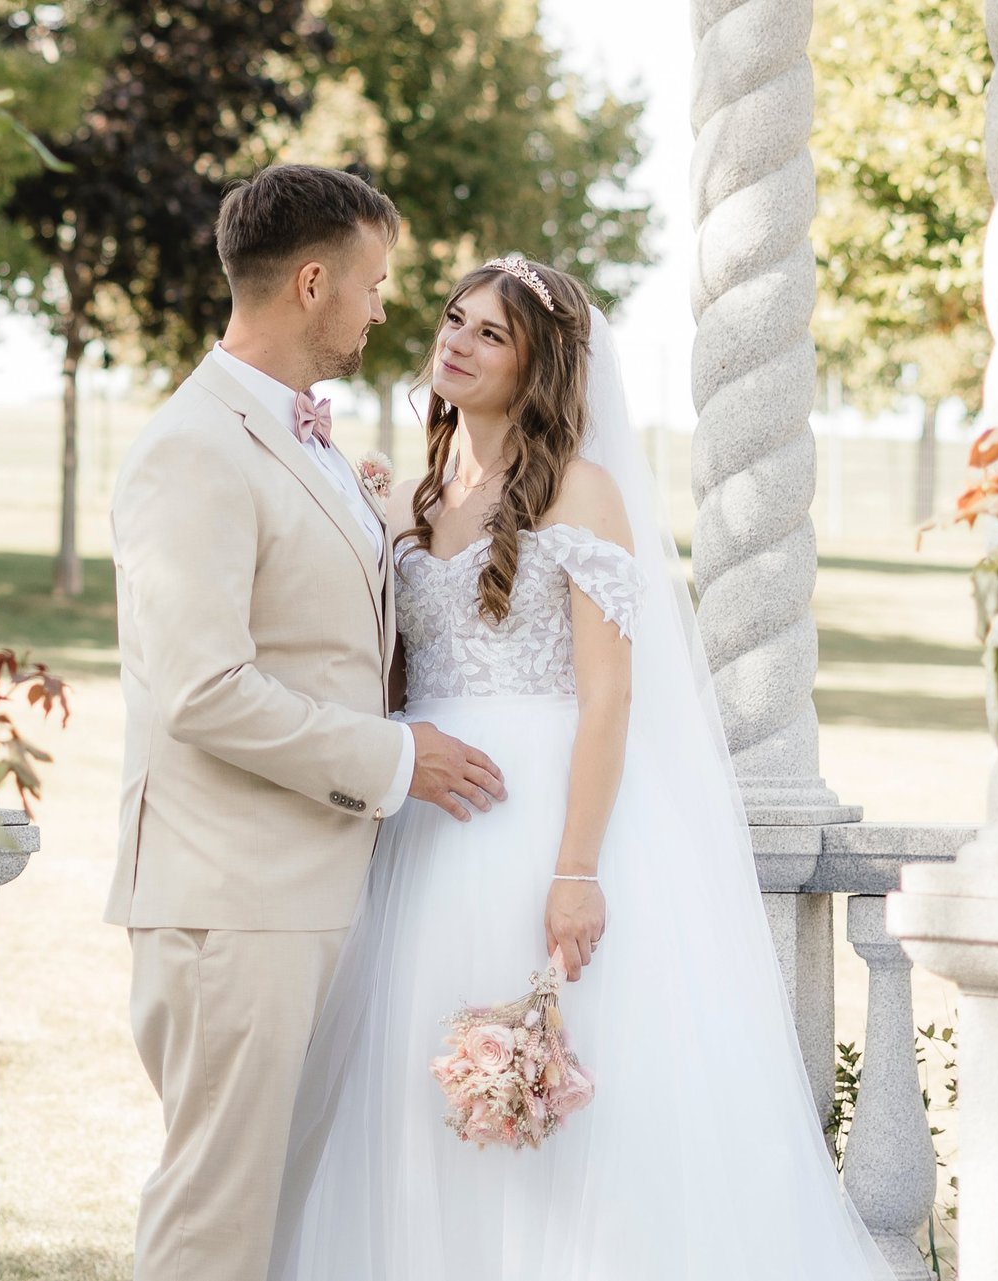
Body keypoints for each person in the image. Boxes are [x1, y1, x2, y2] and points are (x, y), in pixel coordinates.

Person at [268, 256, 898, 1280]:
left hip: (545, 817)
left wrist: (574, 870)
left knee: (554, 1083)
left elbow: (609, 699)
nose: (457, 342)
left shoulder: (580, 492)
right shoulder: (415, 494)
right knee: (412, 1075)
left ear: (538, 369)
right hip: (423, 818)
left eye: (491, 334)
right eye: (454, 319)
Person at [106, 163, 507, 1281]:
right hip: (233, 900)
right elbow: (201, 689)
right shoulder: (192, 448)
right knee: (217, 1218)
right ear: (314, 284)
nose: (384, 310)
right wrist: (397, 757)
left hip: (315, 888)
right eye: (374, 285)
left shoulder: (308, 440)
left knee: (280, 1214)